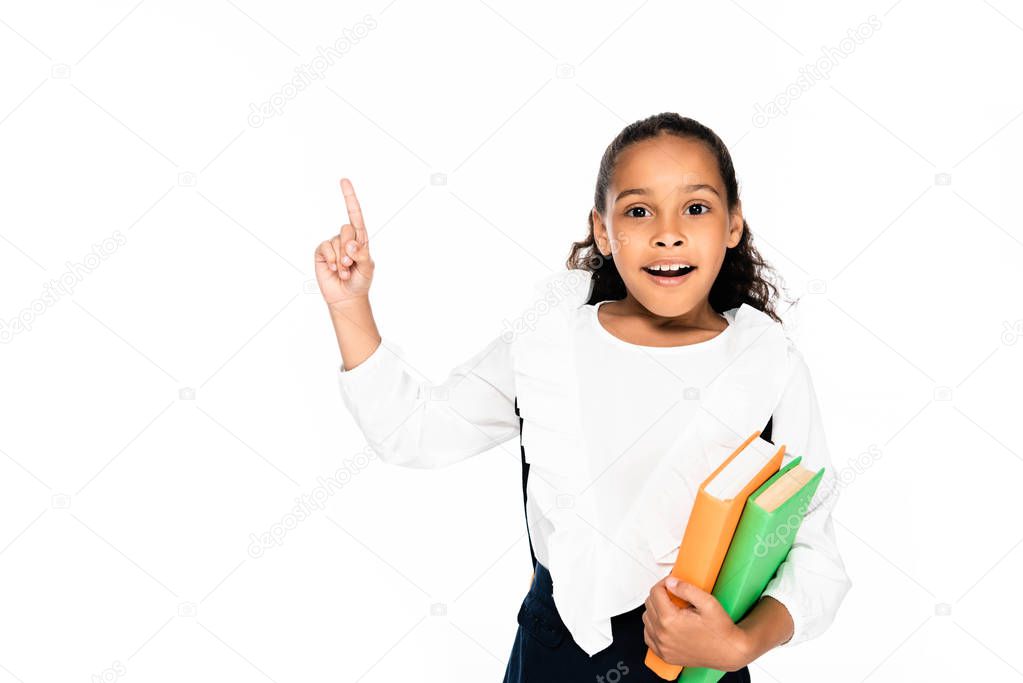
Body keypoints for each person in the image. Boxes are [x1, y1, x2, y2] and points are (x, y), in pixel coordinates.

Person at [314, 112, 852, 682]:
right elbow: (413, 433)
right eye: (638, 211)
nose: (667, 232)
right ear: (602, 230)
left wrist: (739, 644)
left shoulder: (769, 363)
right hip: (554, 661)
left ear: (733, 225)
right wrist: (351, 307)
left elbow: (816, 557)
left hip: (701, 662)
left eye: (696, 208)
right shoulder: (549, 343)